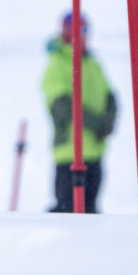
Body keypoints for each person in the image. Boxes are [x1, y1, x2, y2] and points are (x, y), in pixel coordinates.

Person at [41, 12, 117, 213]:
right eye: (79, 31)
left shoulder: (92, 64)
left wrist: (108, 121)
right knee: (68, 213)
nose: (84, 36)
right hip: (70, 154)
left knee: (91, 212)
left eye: (86, 30)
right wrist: (97, 124)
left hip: (94, 152)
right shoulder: (57, 65)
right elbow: (63, 107)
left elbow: (110, 97)